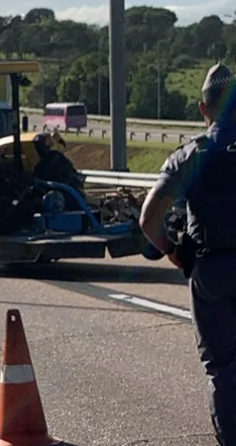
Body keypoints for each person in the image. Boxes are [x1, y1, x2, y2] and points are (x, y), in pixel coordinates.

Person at [139, 63, 236, 446]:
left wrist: (173, 251)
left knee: (224, 369)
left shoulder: (192, 154)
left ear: (203, 108)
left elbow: (149, 220)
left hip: (211, 270)